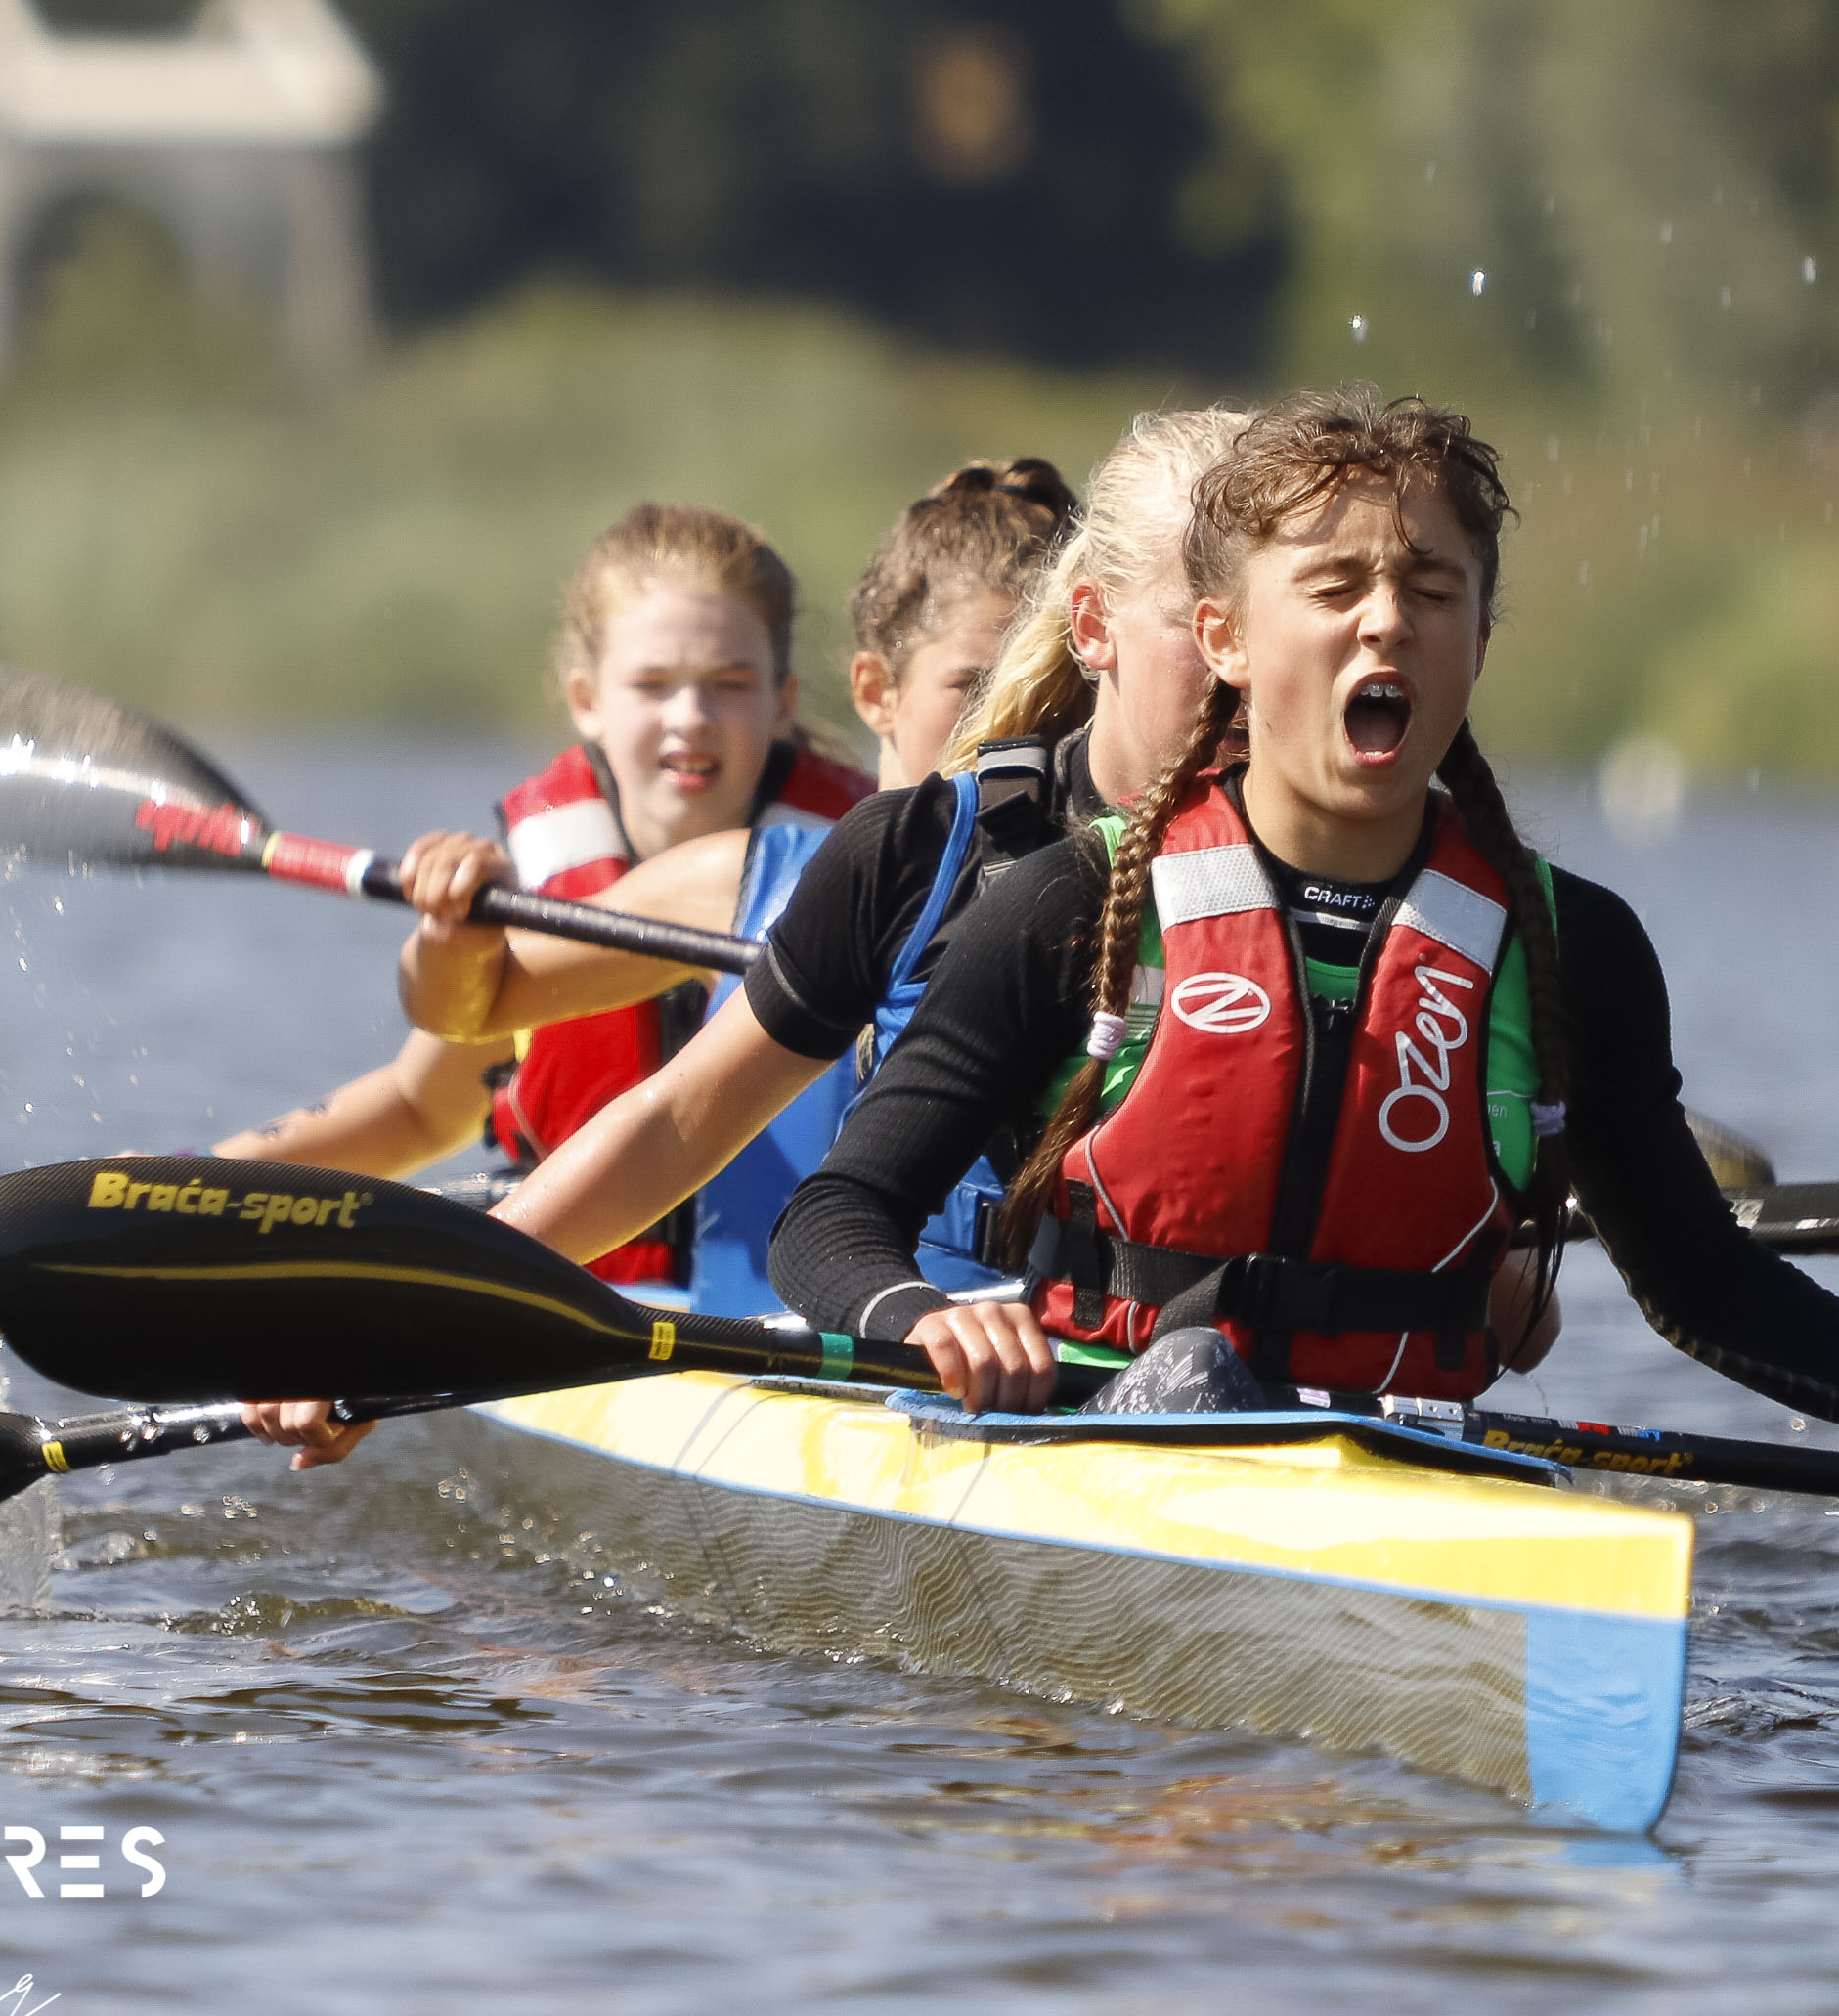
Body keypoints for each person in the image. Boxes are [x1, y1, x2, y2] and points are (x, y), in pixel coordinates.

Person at [765, 386, 1839, 1552]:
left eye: (1432, 591)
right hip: (1106, 1448)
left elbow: (1701, 1278)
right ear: (1225, 640)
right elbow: (830, 1220)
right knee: (1190, 1390)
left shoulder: (1575, 947)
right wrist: (922, 1317)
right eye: (1336, 589)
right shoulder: (1075, 906)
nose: (1387, 625)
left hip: (1405, 1467)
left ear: (1479, 633)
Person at [245, 417, 1237, 1467]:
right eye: (963, 682)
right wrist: (406, 1323)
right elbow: (538, 1063)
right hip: (903, 1352)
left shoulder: (1362, 869)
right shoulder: (850, 864)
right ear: (874, 692)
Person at [214, 504, 874, 1297]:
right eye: (653, 684)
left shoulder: (863, 875)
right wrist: (201, 1183)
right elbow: (420, 1110)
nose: (691, 718)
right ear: (587, 699)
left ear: (782, 702)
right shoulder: (536, 881)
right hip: (574, 1295)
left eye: (729, 685)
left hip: (795, 1311)